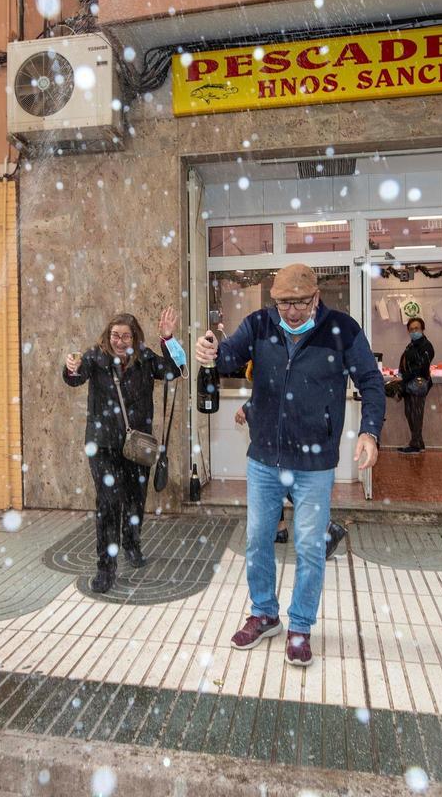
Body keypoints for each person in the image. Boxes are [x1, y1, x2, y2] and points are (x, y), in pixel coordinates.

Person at [196, 263, 384, 668]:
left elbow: (371, 380)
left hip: (315, 464)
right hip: (265, 458)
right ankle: (264, 613)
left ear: (316, 297)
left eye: (299, 302)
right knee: (258, 539)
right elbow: (229, 356)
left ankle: (300, 626)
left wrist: (370, 431)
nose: (292, 312)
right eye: (284, 303)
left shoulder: (342, 329)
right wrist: (211, 350)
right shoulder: (261, 324)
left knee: (311, 549)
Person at [63, 308, 186, 594]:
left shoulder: (145, 358)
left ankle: (132, 543)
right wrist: (71, 367)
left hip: (138, 445)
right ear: (108, 336)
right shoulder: (96, 357)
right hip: (103, 444)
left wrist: (168, 339)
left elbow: (175, 370)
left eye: (125, 336)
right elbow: (74, 378)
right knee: (108, 503)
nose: (119, 341)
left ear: (135, 337)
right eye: (115, 335)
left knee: (135, 498)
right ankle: (106, 567)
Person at [234, 403, 348, 558]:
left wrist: (248, 406)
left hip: (288, 428)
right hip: (278, 428)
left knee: (281, 476)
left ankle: (324, 528)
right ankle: (281, 529)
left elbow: (274, 389)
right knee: (276, 474)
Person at [398, 317, 435, 454]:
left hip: (418, 385)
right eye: (411, 329)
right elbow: (405, 362)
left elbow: (421, 366)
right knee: (409, 413)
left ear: (422, 329)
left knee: (416, 414)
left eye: (416, 328)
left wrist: (405, 376)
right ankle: (419, 442)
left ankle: (415, 444)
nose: (414, 331)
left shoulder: (426, 346)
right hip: (409, 384)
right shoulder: (411, 345)